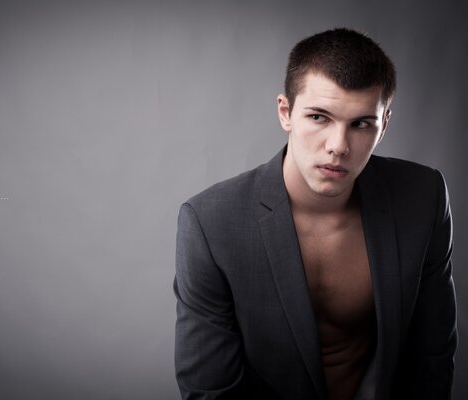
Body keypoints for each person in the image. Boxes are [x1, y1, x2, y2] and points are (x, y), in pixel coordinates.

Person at [173, 28, 457, 400]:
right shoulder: (211, 223)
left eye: (361, 124)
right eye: (319, 117)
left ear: (384, 124)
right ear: (286, 113)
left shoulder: (422, 197)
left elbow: (432, 358)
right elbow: (210, 390)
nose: (338, 146)